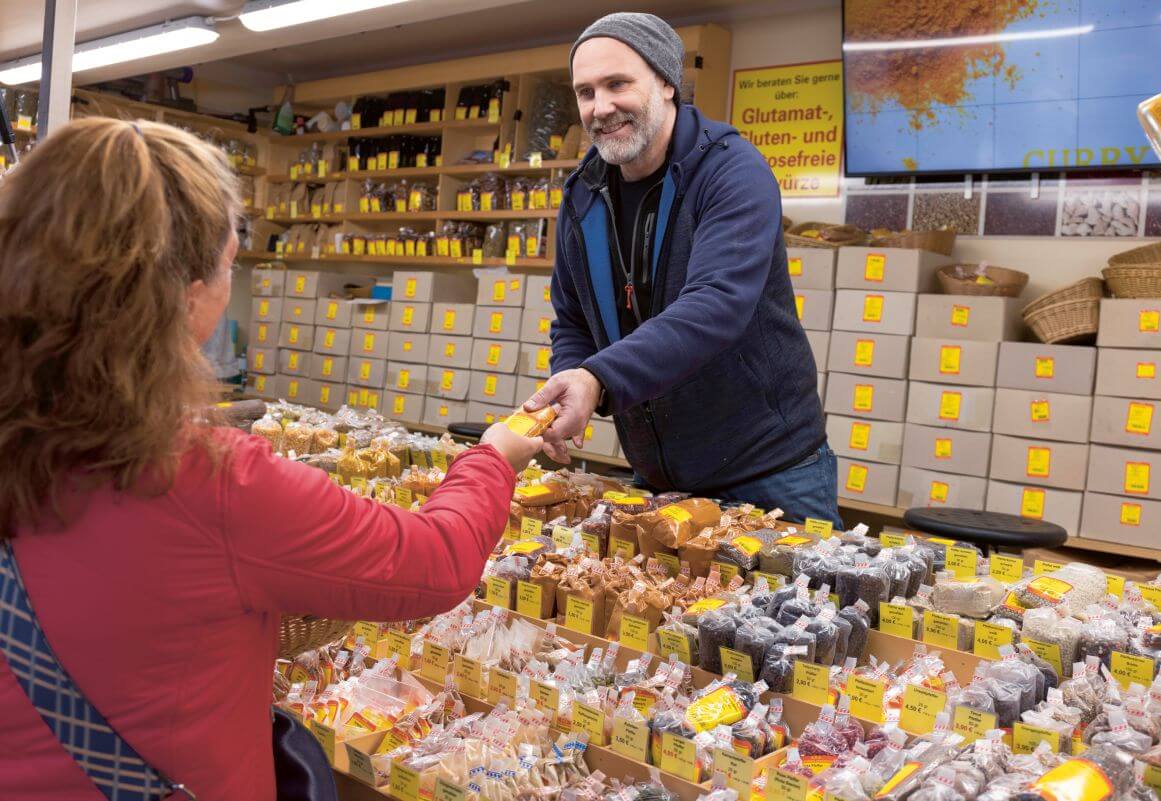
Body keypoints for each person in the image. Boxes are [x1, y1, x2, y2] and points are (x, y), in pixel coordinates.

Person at [0, 118, 541, 800]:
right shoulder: (213, 481)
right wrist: (493, 457)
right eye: (230, 263)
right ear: (187, 293)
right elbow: (434, 560)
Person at [523, 13, 839, 526]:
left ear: (667, 82)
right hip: (658, 472)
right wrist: (570, 381)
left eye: (617, 84)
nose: (600, 107)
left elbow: (715, 306)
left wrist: (598, 378)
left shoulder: (731, 171)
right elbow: (574, 317)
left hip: (770, 471)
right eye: (585, 92)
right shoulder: (583, 194)